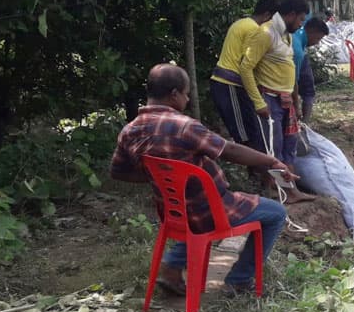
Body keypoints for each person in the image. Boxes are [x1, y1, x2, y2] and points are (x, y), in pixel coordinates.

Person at [109, 64, 293, 296]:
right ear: (174, 94)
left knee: (197, 215)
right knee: (276, 212)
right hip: (209, 211)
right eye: (186, 94)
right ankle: (239, 280)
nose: (187, 99)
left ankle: (171, 266)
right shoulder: (183, 127)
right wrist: (271, 161)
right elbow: (229, 150)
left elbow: (118, 172)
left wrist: (159, 176)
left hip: (174, 213)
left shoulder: (130, 130)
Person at [238, 0, 315, 202]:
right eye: (300, 20)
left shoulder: (286, 35)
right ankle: (277, 192)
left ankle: (290, 191)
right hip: (269, 100)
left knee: (289, 147)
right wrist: (258, 102)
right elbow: (245, 67)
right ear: (290, 15)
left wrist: (294, 101)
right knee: (274, 149)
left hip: (286, 101)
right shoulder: (266, 32)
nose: (301, 25)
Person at [209, 0, 278, 148]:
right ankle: (254, 168)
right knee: (244, 135)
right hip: (229, 85)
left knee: (248, 130)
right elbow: (246, 64)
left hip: (227, 84)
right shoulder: (254, 29)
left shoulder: (241, 23)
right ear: (267, 15)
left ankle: (254, 168)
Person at [295, 17, 330, 122]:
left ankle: (304, 124)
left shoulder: (299, 37)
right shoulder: (297, 49)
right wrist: (296, 106)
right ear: (312, 32)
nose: (317, 43)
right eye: (318, 39)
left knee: (308, 90)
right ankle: (304, 124)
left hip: (302, 57)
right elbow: (293, 81)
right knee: (307, 91)